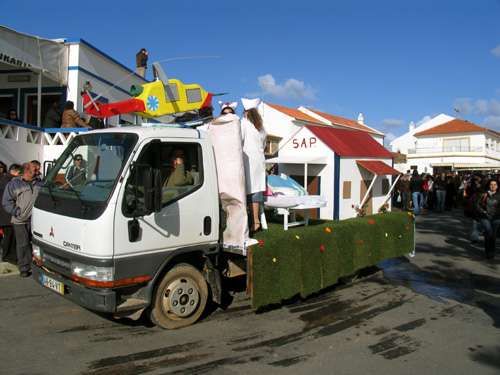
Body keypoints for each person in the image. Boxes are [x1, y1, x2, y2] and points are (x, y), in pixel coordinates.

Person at [2, 162, 43, 277]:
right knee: (23, 244)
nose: (37, 172)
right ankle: (24, 268)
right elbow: (6, 202)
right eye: (35, 170)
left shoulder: (40, 183)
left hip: (37, 220)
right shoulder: (14, 184)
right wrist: (17, 212)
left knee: (38, 244)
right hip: (21, 221)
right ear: (26, 171)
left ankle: (38, 265)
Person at [241, 98, 267, 234]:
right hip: (259, 161)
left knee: (250, 191)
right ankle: (256, 220)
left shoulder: (244, 123)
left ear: (245, 112)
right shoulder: (261, 126)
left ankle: (254, 221)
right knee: (256, 191)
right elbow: (263, 144)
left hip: (249, 161)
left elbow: (239, 140)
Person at [0, 163, 21, 264]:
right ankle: (9, 256)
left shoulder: (5, 180)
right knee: (9, 236)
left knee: (9, 236)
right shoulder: (8, 181)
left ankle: (9, 255)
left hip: (6, 214)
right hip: (6, 214)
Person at [475, 178, 500, 259]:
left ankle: (491, 251)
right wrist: (483, 211)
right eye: (491, 185)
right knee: (489, 233)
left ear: (497, 186)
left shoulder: (499, 195)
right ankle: (488, 250)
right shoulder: (483, 194)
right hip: (485, 217)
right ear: (489, 186)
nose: (493, 186)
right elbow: (476, 204)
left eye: (494, 185)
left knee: (493, 235)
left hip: (496, 218)